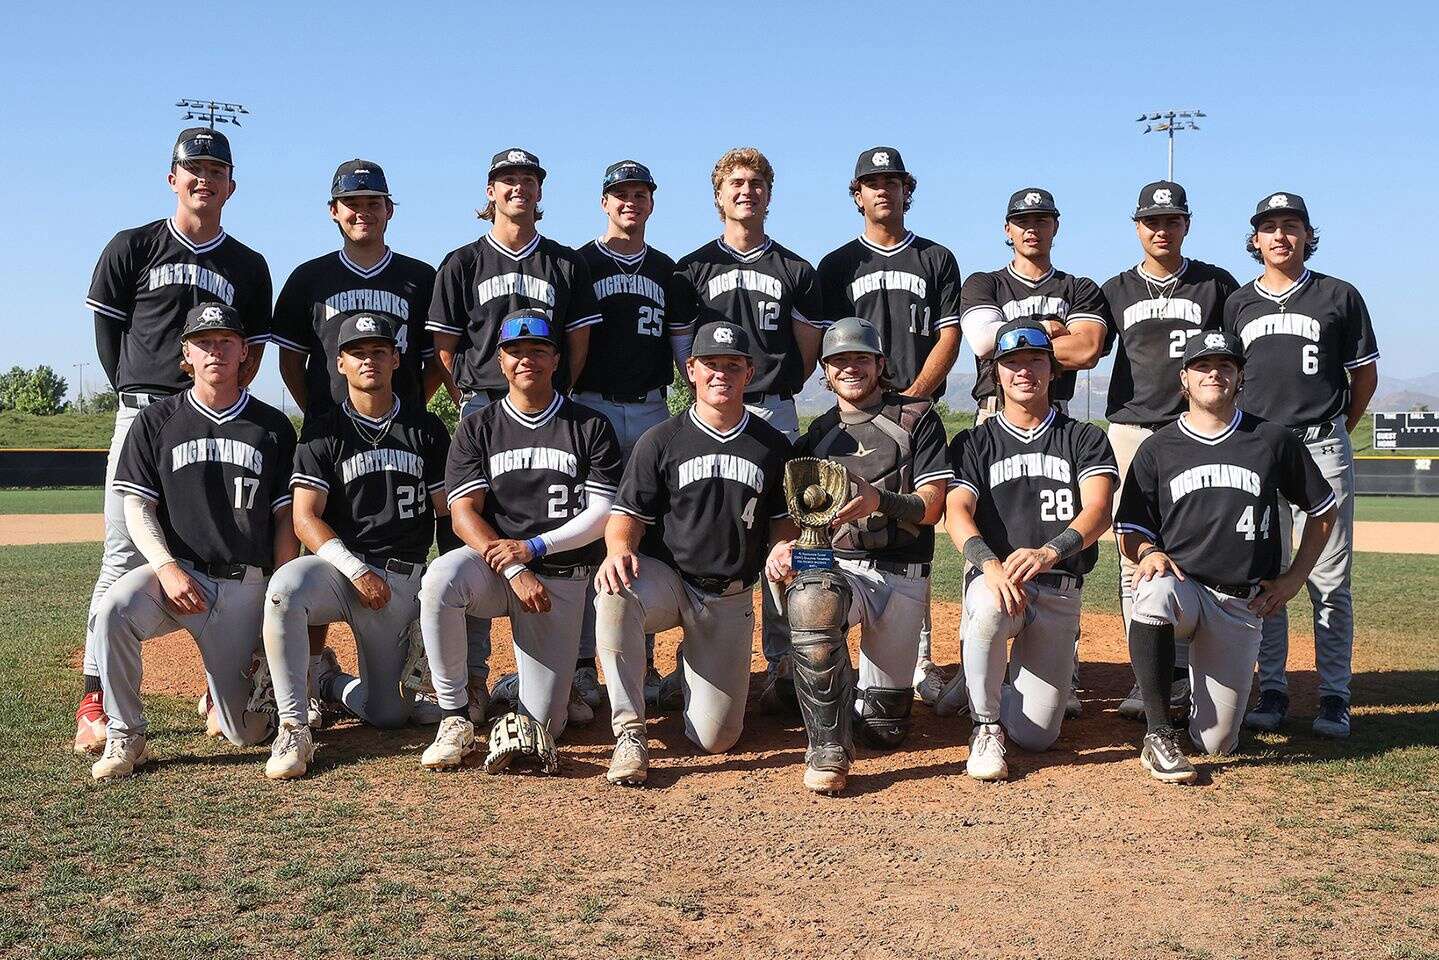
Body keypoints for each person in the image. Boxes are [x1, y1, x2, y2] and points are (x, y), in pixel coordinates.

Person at [76, 127, 272, 754]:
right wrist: (142, 395)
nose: (204, 180)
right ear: (172, 178)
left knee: (223, 543)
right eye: (193, 169)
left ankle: (223, 684)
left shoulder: (247, 264)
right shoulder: (133, 246)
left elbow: (255, 349)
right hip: (145, 415)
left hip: (216, 420)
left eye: (216, 171)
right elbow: (110, 337)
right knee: (122, 557)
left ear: (231, 186)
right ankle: (97, 698)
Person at [270, 159, 449, 726]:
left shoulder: (420, 278)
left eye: (374, 202)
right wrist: (324, 415)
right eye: (352, 202)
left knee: (390, 713)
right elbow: (291, 359)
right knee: (319, 545)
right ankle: (311, 672)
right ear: (333, 211)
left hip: (401, 429)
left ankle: (367, 679)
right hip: (335, 433)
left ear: (389, 210)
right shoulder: (309, 277)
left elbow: (433, 359)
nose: (363, 211)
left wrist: (400, 403)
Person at [426, 148, 603, 715]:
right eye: (508, 180)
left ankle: (573, 670)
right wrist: (469, 403)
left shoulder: (564, 263)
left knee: (566, 530)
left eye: (529, 180)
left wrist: (563, 392)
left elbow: (577, 339)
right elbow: (445, 346)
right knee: (471, 537)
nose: (518, 188)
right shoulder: (462, 263)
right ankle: (472, 677)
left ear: (540, 193)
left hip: (555, 403)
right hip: (484, 401)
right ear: (490, 192)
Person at [1115, 332, 1338, 782]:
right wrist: (1149, 550)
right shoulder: (1158, 446)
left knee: (1216, 743)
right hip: (1184, 589)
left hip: (1239, 603)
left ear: (1240, 378)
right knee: (1152, 590)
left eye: (1225, 366)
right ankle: (1158, 733)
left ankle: (1193, 700)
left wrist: (1294, 578)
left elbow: (1323, 511)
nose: (1214, 372)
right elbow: (1130, 530)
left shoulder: (1272, 439)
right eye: (1202, 366)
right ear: (1184, 380)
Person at [88, 304, 297, 779]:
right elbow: (136, 508)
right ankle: (126, 735)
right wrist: (164, 567)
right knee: (113, 608)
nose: (215, 350)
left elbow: (285, 519)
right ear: (186, 354)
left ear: (245, 351)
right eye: (204, 342)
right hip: (181, 578)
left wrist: (278, 590)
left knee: (247, 731)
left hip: (246, 586)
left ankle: (263, 690)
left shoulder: (273, 427)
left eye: (226, 340)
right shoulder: (156, 421)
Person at [416, 311, 622, 770]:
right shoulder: (477, 427)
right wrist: (513, 566)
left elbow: (602, 513)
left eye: (538, 350)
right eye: (515, 351)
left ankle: (519, 686)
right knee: (441, 577)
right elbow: (462, 514)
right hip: (497, 571)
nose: (526, 359)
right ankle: (453, 716)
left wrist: (534, 549)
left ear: (555, 359)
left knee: (547, 723)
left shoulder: (589, 426)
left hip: (561, 577)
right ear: (500, 361)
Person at [594, 321, 792, 786]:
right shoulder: (661, 439)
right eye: (711, 365)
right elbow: (626, 517)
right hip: (669, 581)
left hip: (729, 595)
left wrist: (783, 545)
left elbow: (783, 521)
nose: (721, 373)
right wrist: (618, 549)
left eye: (732, 365)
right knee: (614, 591)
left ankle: (688, 673)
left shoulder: (773, 446)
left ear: (749, 373)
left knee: (716, 739)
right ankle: (629, 733)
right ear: (691, 370)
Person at [764, 317, 952, 793]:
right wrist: (782, 546)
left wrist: (880, 500)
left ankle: (810, 684)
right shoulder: (819, 433)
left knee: (884, 730)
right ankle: (827, 747)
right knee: (812, 598)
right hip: (839, 566)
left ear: (880, 364)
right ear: (824, 373)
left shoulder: (916, 418)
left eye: (860, 358)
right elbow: (795, 514)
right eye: (838, 361)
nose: (850, 368)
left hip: (901, 572)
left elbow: (932, 507)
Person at [259, 314, 451, 777]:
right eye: (359, 353)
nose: (370, 360)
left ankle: (328, 682)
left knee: (390, 716)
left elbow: (446, 514)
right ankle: (292, 725)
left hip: (402, 577)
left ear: (397, 359)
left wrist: (441, 594)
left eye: (380, 351)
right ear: (340, 363)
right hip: (339, 571)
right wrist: (355, 569)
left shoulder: (426, 430)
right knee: (285, 588)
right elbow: (305, 518)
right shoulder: (323, 431)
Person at [669, 147, 823, 705]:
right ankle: (691, 661)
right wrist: (705, 400)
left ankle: (784, 663)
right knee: (707, 525)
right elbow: (682, 344)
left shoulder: (795, 270)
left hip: (772, 405)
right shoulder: (691, 269)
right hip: (707, 407)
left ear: (769, 194)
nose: (746, 191)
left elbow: (807, 350)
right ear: (718, 195)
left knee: (782, 530)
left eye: (757, 183)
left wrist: (776, 385)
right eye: (735, 183)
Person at [1224, 193, 1379, 740]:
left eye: (1292, 226)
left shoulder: (1339, 295)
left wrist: (1333, 426)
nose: (1281, 237)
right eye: (1269, 228)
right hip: (1262, 452)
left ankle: (1335, 695)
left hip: (1320, 445)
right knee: (1266, 573)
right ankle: (1273, 687)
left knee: (1329, 580)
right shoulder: (1239, 303)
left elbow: (1363, 379)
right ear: (1256, 241)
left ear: (1309, 235)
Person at [816, 147, 964, 710]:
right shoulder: (837, 265)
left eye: (893, 182)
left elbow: (947, 337)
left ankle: (920, 661)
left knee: (910, 528)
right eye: (871, 183)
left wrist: (912, 399)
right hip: (857, 405)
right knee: (836, 524)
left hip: (908, 407)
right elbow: (831, 346)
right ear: (857, 194)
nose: (883, 190)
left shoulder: (935, 258)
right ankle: (804, 666)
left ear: (908, 190)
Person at [956, 188, 1111, 719]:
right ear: (1007, 229)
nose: (1032, 228)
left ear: (1055, 227)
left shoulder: (1080, 286)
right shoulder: (984, 281)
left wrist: (1017, 334)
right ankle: (976, 676)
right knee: (986, 545)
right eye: (1022, 220)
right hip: (992, 415)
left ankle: (1057, 671)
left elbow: (1088, 347)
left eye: (1042, 219)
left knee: (1055, 533)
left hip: (1058, 423)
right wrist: (1047, 333)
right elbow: (981, 341)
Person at [941, 320, 1117, 782]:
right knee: (985, 605)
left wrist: (1049, 552)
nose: (1024, 371)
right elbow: (957, 510)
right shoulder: (974, 441)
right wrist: (988, 566)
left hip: (1058, 587)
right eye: (1011, 362)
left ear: (1052, 369)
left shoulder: (1084, 437)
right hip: (1000, 581)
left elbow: (1099, 510)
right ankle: (984, 725)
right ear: (995, 373)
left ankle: (986, 675)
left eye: (1035, 360)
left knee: (1038, 736)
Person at [1100, 181, 1239, 722]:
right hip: (1132, 428)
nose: (1161, 229)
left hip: (1192, 427)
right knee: (1130, 550)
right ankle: (1147, 676)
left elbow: (1235, 355)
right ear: (1137, 227)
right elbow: (1086, 346)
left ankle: (1188, 673)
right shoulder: (1115, 289)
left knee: (1194, 542)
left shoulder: (1215, 284)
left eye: (1172, 220)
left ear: (1187, 224)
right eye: (1151, 221)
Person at [572, 160, 692, 710]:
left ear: (651, 202)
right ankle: (578, 664)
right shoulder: (578, 265)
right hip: (588, 405)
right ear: (603, 202)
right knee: (584, 532)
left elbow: (684, 353)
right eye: (620, 194)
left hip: (648, 408)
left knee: (641, 529)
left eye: (640, 194)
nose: (630, 202)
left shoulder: (668, 271)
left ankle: (639, 664)